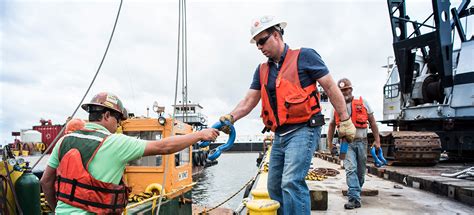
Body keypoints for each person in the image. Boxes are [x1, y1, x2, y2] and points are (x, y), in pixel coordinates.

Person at [219, 15, 356, 215]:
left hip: (304, 129)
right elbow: (249, 101)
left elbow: (329, 86)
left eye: (262, 41)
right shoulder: (262, 70)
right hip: (280, 134)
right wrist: (230, 117)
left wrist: (345, 119)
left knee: (291, 181)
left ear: (276, 35)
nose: (259, 47)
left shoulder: (305, 56)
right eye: (257, 44)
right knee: (274, 185)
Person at [40, 92, 219, 214]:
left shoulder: (64, 141)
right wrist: (200, 134)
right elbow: (163, 147)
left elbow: (46, 181)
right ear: (106, 116)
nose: (118, 126)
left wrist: (59, 209)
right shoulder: (115, 142)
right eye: (118, 120)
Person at [327, 78, 381, 209]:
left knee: (360, 172)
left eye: (347, 89)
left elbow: (373, 122)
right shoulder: (336, 106)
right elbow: (332, 125)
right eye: (342, 91)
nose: (345, 92)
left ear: (351, 89)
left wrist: (377, 140)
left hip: (362, 142)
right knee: (350, 169)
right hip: (346, 143)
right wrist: (330, 143)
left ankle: (356, 191)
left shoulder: (364, 103)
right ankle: (354, 199)